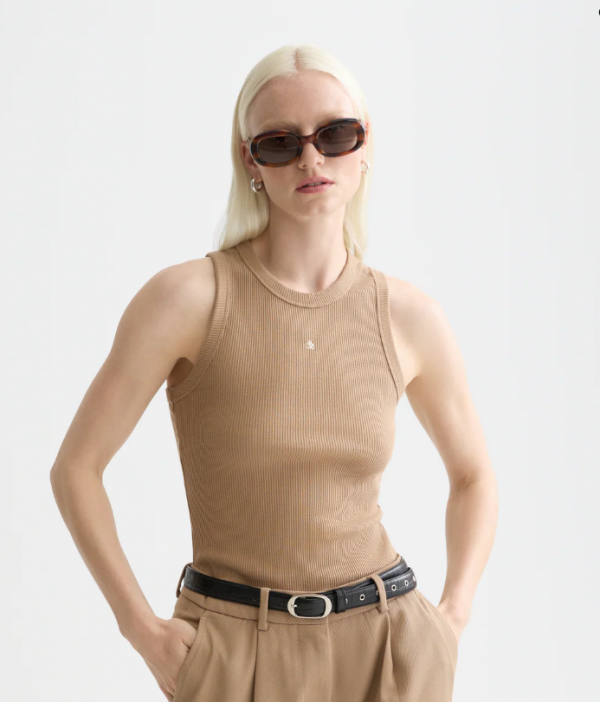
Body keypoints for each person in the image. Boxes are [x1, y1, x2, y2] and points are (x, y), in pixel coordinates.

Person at [50, 43, 498, 702]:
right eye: (281, 143)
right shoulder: (188, 299)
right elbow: (76, 468)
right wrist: (141, 630)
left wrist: (451, 620)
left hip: (387, 648)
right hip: (234, 650)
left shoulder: (408, 316)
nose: (312, 160)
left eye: (335, 135)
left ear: (365, 145)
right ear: (250, 161)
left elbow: (474, 476)